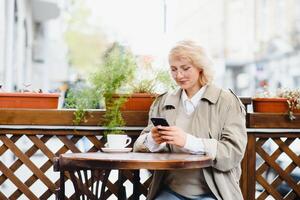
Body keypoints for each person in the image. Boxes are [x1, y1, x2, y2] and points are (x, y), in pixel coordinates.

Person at [133, 40, 247, 200]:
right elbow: (138, 146)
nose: (179, 75)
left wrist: (187, 141)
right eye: (174, 69)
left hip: (214, 194)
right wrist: (152, 140)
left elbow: (233, 152)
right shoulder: (163, 102)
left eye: (185, 68)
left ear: (201, 68)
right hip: (170, 192)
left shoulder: (227, 101)